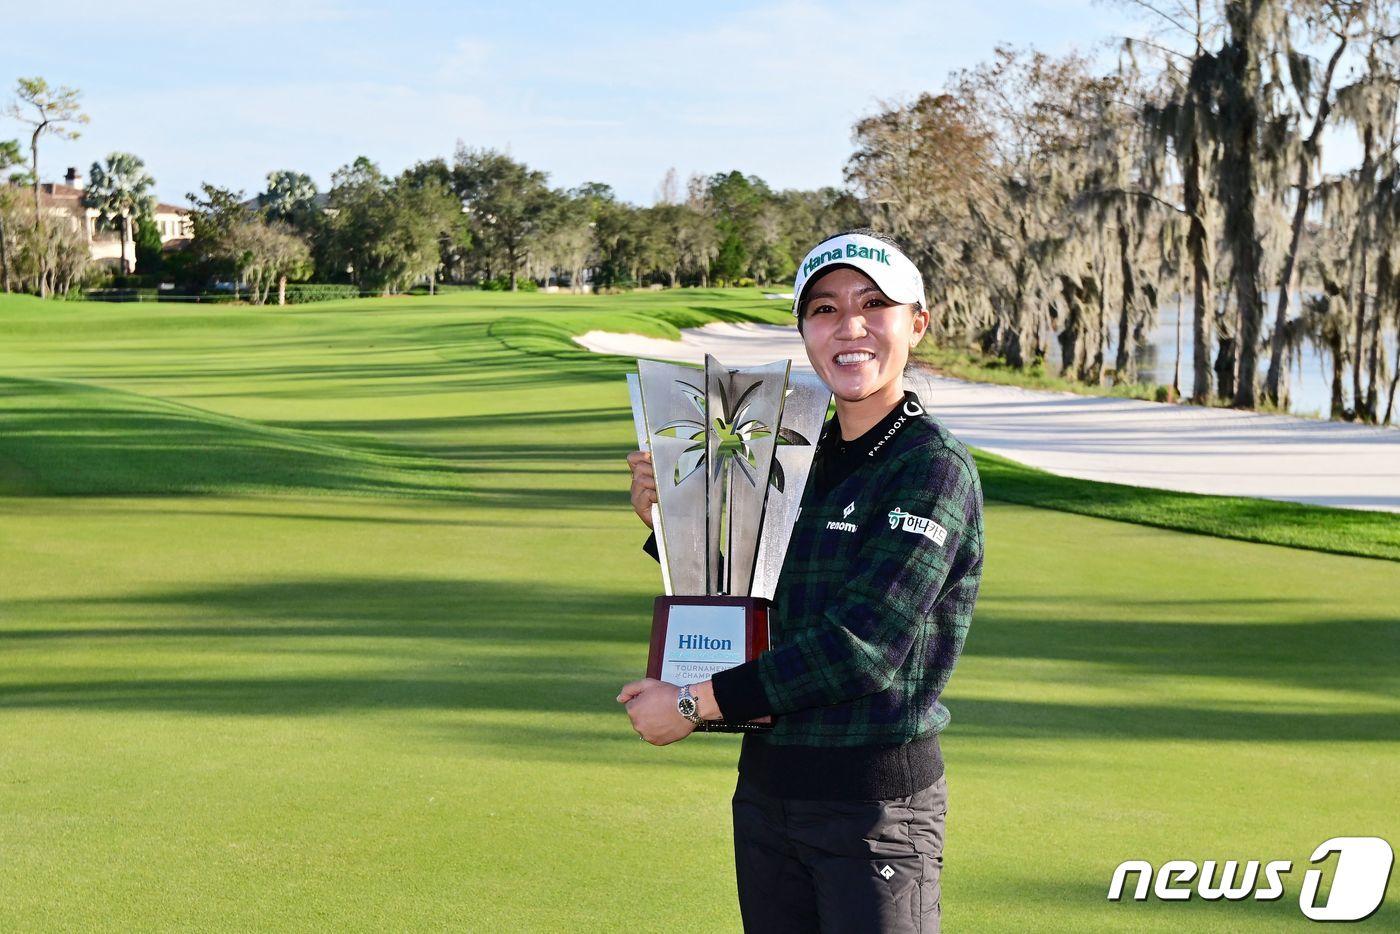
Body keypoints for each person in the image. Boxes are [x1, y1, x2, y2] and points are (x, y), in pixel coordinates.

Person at [618, 229, 985, 933]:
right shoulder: (792, 458)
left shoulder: (931, 468)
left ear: (918, 322)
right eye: (823, 309)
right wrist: (671, 522)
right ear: (805, 332)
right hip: (766, 795)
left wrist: (693, 705)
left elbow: (860, 650)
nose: (849, 327)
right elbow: (754, 605)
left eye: (874, 304)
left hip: (874, 811)